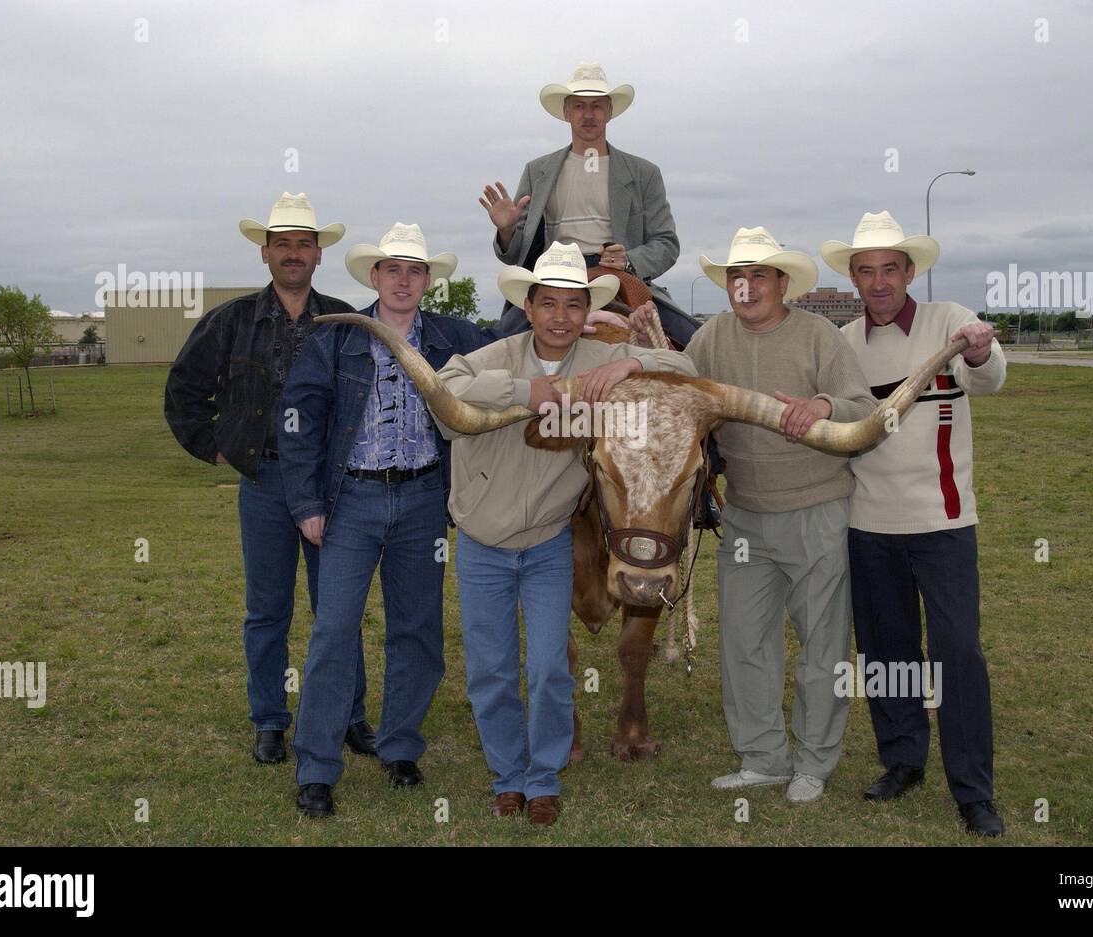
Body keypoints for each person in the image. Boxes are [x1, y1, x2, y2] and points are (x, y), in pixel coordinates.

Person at [434, 242, 695, 825]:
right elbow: (445, 384)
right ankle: (507, 777)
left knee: (549, 666)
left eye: (573, 305)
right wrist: (527, 393)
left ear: (587, 311)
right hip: (483, 542)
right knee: (492, 669)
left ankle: (544, 777)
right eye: (548, 303)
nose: (560, 317)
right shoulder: (495, 355)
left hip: (550, 540)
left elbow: (689, 369)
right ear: (527, 307)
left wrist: (627, 364)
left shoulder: (595, 361)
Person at [631, 226, 875, 802]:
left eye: (758, 276)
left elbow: (862, 408)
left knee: (821, 645)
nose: (746, 288)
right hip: (742, 513)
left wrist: (823, 405)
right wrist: (640, 350)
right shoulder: (713, 337)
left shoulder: (819, 336)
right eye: (736, 278)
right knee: (744, 643)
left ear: (782, 283)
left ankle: (813, 762)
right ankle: (762, 757)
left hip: (817, 509)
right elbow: (677, 388)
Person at [279, 223, 492, 818]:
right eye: (392, 269)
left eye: (415, 270)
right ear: (373, 277)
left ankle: (400, 747)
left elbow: (521, 335)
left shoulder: (453, 339)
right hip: (351, 502)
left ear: (428, 281)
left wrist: (600, 323)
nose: (403, 280)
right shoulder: (337, 340)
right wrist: (307, 504)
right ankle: (317, 767)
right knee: (333, 632)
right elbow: (298, 420)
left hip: (424, 499)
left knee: (418, 628)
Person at [164, 192, 368, 766]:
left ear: (320, 254)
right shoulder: (230, 322)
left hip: (332, 487)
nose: (294, 254)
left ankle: (349, 714)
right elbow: (183, 391)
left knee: (338, 607)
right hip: (265, 483)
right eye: (284, 244)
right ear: (265, 254)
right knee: (267, 610)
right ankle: (271, 720)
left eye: (305, 244)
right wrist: (220, 447)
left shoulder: (342, 322)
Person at [823, 210, 1006, 836]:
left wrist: (980, 353)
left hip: (944, 521)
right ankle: (902, 761)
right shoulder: (843, 344)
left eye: (890, 270)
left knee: (957, 652)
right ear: (853, 278)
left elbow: (991, 378)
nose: (879, 283)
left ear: (909, 272)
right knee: (886, 652)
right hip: (868, 525)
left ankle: (973, 790)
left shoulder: (948, 321)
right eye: (866, 271)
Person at [479, 61, 698, 347]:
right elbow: (514, 255)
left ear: (609, 112)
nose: (588, 114)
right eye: (580, 106)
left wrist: (630, 260)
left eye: (596, 106)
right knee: (495, 345)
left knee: (695, 341)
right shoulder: (538, 171)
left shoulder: (644, 174)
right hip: (554, 273)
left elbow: (667, 243)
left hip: (620, 274)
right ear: (566, 112)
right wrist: (507, 231)